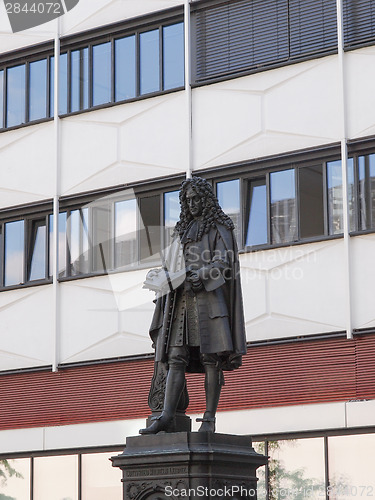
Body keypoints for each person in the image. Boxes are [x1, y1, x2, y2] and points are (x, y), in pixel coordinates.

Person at [139, 177, 247, 434]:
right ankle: (166, 416)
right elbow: (172, 263)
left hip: (209, 299)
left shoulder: (221, 226)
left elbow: (224, 262)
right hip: (181, 302)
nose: (192, 203)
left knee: (211, 359)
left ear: (206, 199)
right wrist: (161, 277)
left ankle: (209, 419)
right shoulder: (182, 228)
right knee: (176, 357)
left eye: (196, 198)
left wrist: (204, 274)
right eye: (187, 200)